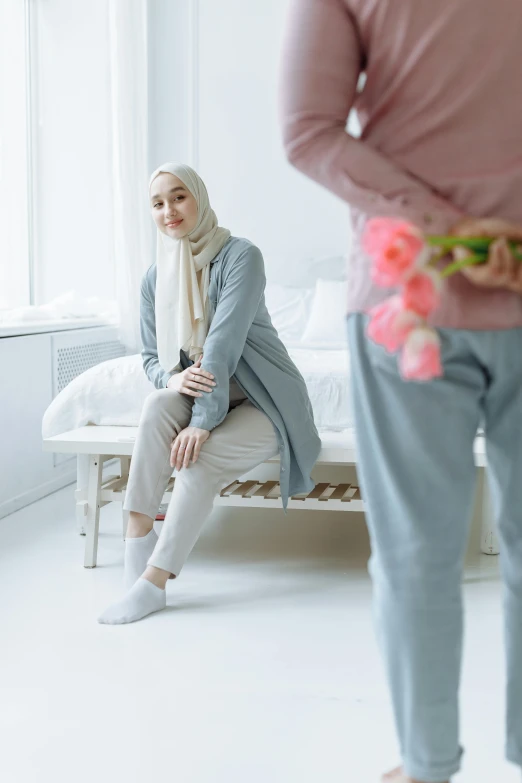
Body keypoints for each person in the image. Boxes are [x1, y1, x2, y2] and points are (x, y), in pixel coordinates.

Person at [280, 1, 522, 782]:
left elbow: (306, 131)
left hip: (410, 296)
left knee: (417, 555)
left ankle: (426, 766)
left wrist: (451, 233)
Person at [98, 162, 321, 625]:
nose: (168, 211)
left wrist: (202, 421)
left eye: (178, 196)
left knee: (200, 458)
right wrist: (171, 381)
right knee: (157, 404)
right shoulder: (156, 278)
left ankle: (154, 584)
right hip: (203, 389)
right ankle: (136, 549)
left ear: (199, 196)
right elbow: (149, 358)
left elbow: (222, 343)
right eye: (157, 203)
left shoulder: (242, 256)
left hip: (266, 399)